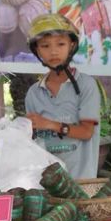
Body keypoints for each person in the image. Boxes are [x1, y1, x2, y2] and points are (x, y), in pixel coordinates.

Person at [24, 13, 101, 180]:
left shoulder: (86, 85)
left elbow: (87, 132)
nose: (53, 51)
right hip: (48, 184)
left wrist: (49, 124)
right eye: (45, 46)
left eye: (60, 44)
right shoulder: (33, 93)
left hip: (81, 185)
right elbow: (34, 143)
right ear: (37, 50)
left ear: (71, 45)